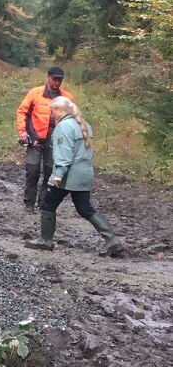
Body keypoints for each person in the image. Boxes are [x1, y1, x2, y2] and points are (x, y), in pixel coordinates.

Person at [25, 97, 123, 256]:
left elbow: (64, 155)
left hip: (67, 176)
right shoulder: (84, 125)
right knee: (85, 208)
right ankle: (113, 241)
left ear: (59, 110)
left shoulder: (63, 127)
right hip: (84, 174)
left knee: (47, 203)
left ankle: (45, 240)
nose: (52, 114)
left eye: (53, 111)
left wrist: (57, 175)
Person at [16, 66, 75, 213]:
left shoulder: (67, 98)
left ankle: (44, 203)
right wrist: (22, 132)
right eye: (54, 79)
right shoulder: (35, 93)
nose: (56, 83)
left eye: (59, 80)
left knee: (50, 172)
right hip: (35, 137)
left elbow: (73, 119)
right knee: (33, 170)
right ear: (47, 77)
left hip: (56, 141)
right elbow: (22, 111)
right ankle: (29, 203)